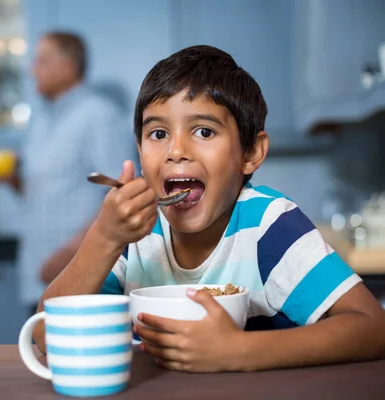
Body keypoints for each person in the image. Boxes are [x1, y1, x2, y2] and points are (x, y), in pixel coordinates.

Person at [34, 45, 385, 371]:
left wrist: (236, 350)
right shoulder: (137, 237)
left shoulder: (268, 226)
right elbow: (45, 336)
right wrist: (104, 237)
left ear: (251, 153)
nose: (176, 151)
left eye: (203, 131)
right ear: (140, 153)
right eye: (158, 134)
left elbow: (372, 327)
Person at [0, 32, 135, 314]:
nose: (32, 70)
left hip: (80, 275)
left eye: (41, 61)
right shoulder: (41, 123)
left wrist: (70, 254)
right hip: (37, 275)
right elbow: (42, 193)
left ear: (69, 65)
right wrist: (12, 179)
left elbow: (124, 191)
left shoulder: (99, 115)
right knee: (41, 354)